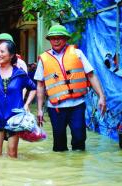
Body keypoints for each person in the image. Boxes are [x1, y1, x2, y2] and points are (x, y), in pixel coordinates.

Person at [34, 24, 106, 152]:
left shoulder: (77, 53)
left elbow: (91, 75)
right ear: (49, 40)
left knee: (79, 140)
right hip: (55, 108)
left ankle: (78, 169)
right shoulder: (43, 59)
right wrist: (39, 110)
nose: (56, 40)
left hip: (77, 105)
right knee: (59, 146)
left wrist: (102, 97)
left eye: (60, 37)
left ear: (66, 39)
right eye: (53, 38)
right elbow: (40, 85)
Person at [0, 40, 36, 158]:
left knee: (12, 154)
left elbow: (33, 88)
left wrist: (26, 104)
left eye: (2, 51)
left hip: (15, 120)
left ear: (11, 54)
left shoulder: (20, 74)